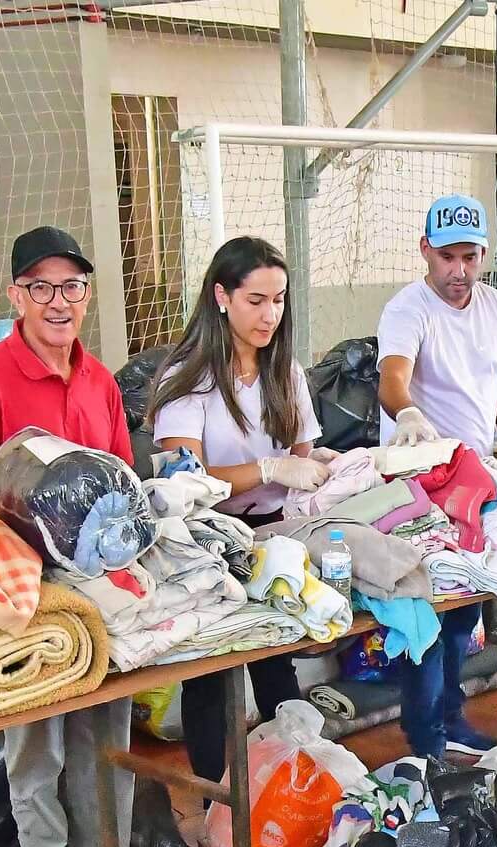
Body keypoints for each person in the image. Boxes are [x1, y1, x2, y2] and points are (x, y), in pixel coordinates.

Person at [0, 225, 161, 847]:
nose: (58, 301)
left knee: (108, 722)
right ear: (16, 295)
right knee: (37, 736)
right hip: (25, 586)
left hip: (97, 586)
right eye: (42, 287)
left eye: (71, 286)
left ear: (86, 294)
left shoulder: (98, 379)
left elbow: (121, 480)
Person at [149, 236, 328, 787]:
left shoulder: (285, 372)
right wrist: (268, 470)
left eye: (278, 300)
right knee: (209, 676)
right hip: (208, 538)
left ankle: (294, 785)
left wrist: (324, 464)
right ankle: (211, 805)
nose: (269, 314)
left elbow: (303, 455)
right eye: (256, 300)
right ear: (222, 297)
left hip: (273, 535)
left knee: (276, 659)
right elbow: (189, 481)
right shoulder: (189, 380)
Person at [377, 193, 497, 759]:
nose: (458, 271)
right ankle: (426, 735)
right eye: (447, 258)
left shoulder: (495, 306)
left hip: (482, 476)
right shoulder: (408, 309)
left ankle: (452, 713)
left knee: (466, 610)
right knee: (427, 611)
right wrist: (407, 412)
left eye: (470, 257)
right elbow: (394, 377)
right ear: (425, 251)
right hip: (428, 479)